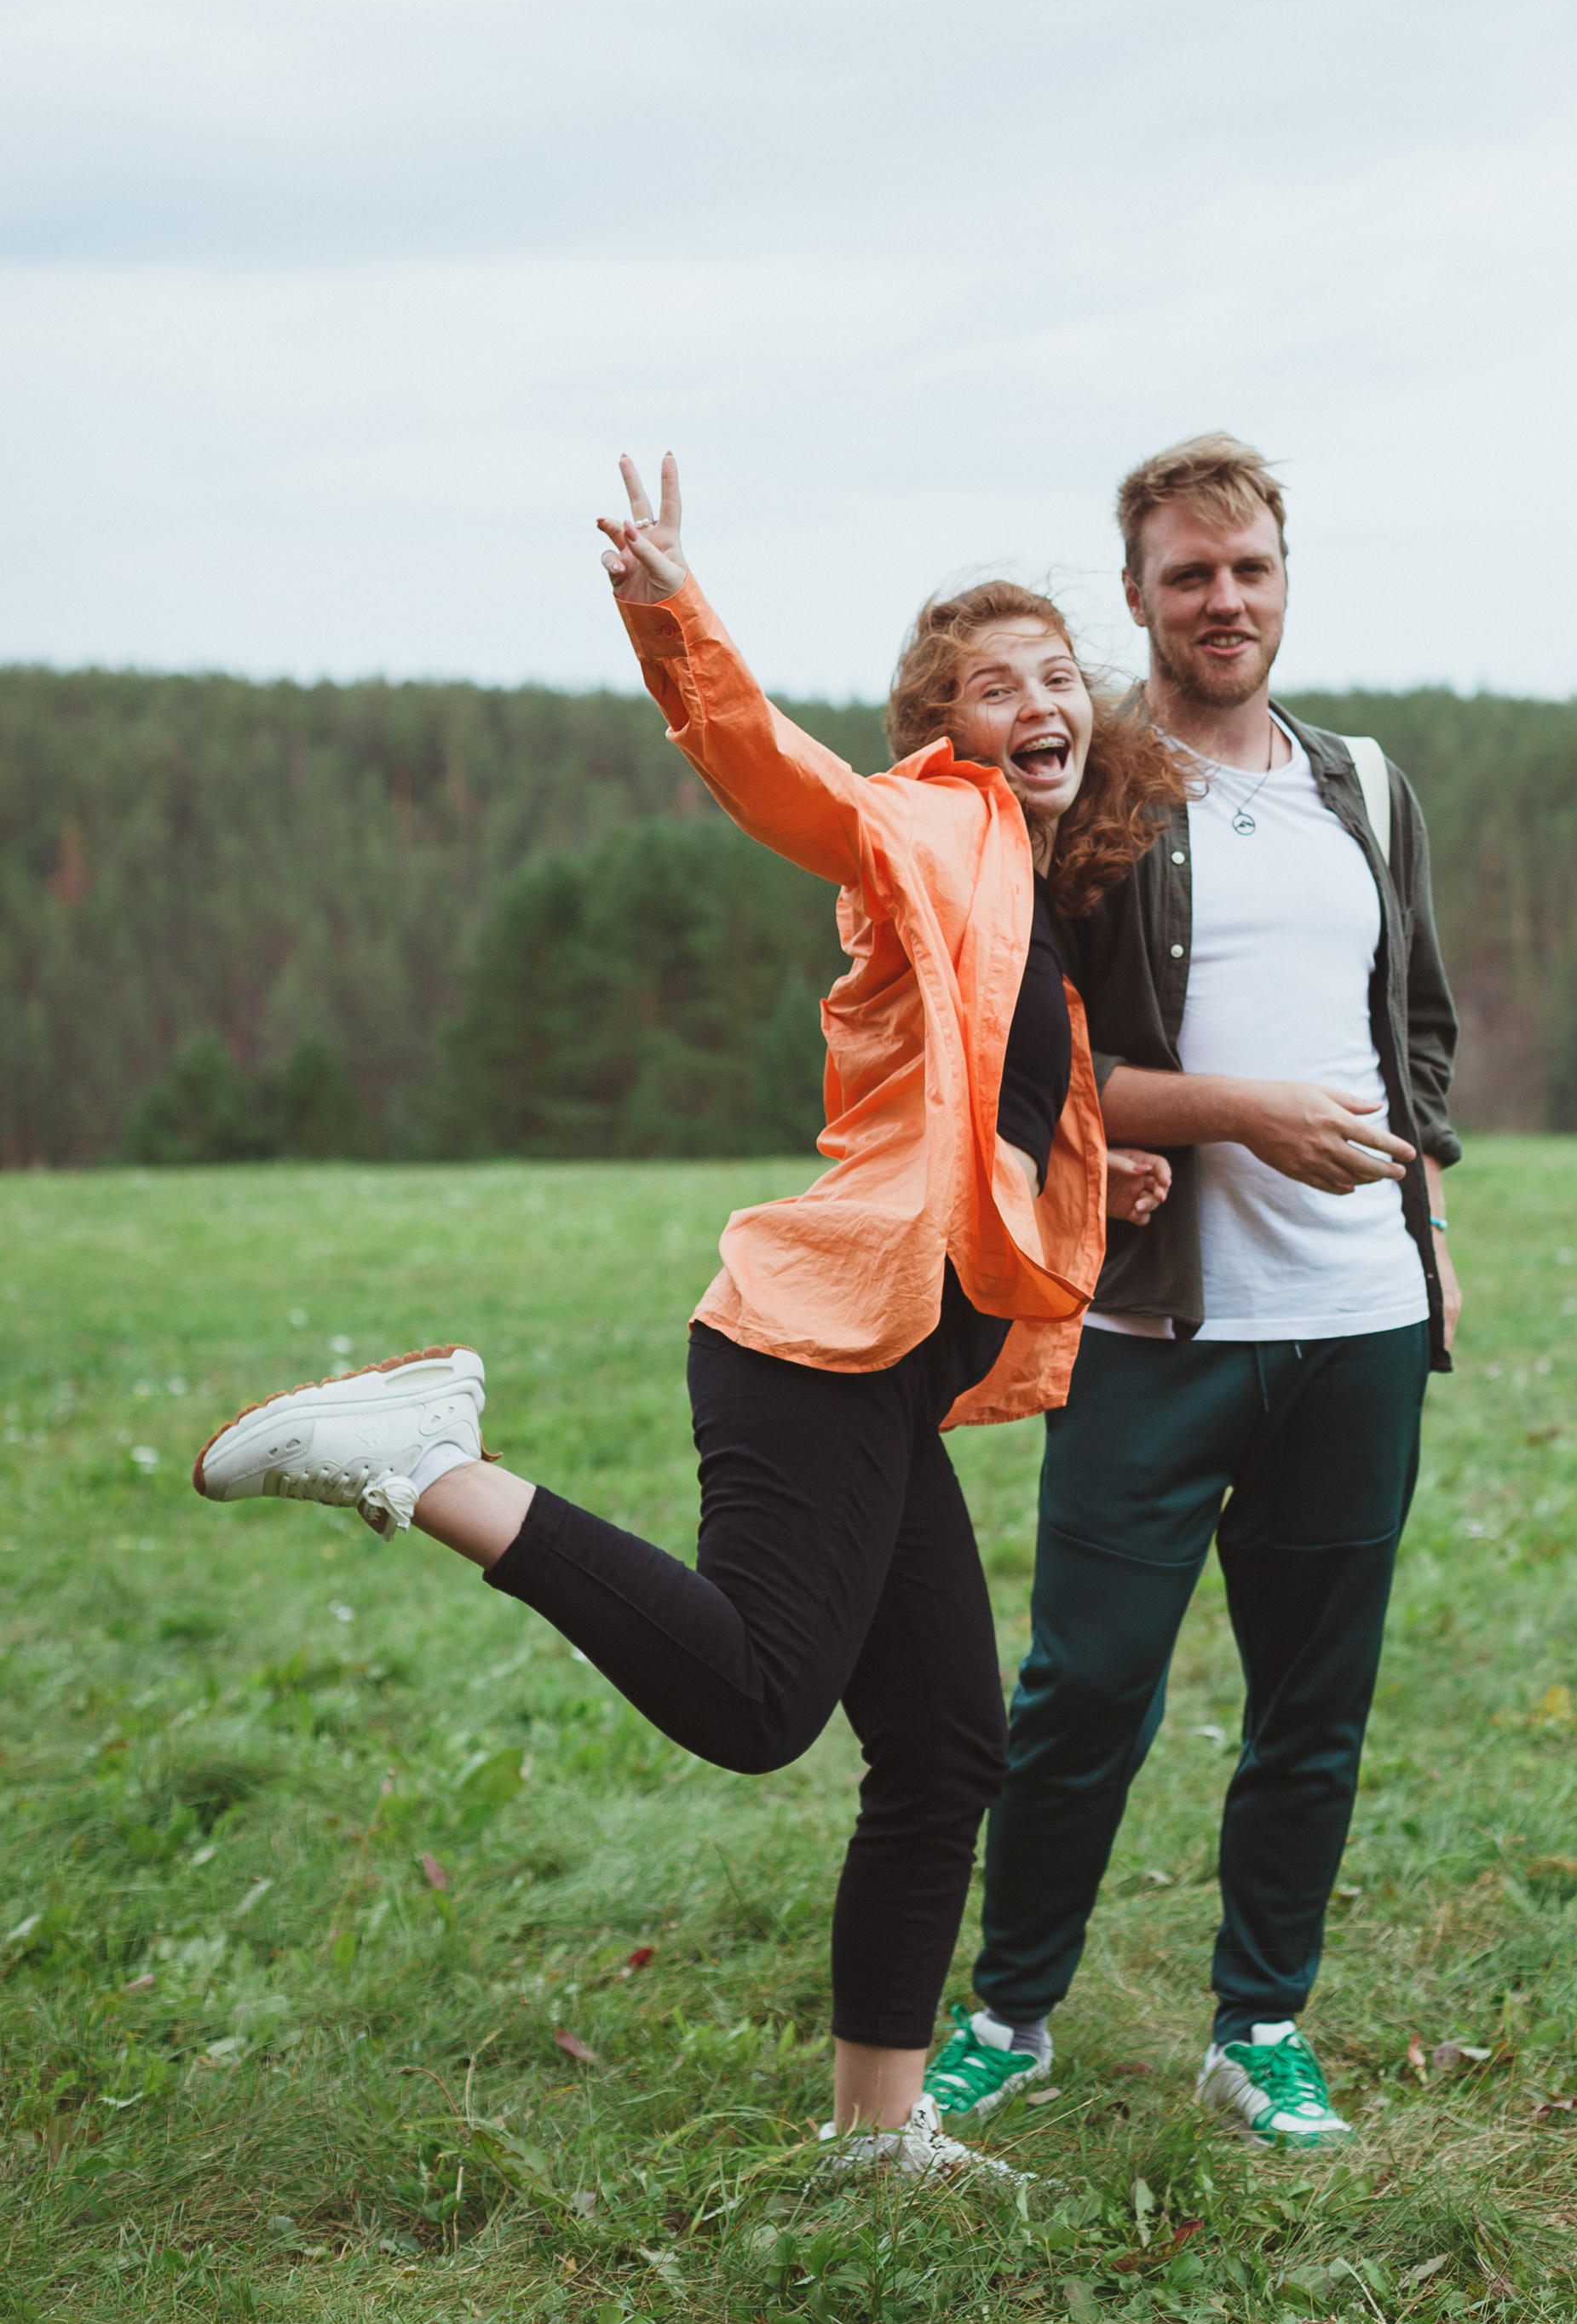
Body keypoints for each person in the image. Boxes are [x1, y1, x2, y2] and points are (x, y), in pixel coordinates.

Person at [194, 454, 1182, 2176]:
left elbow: (970, 1133)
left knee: (948, 1745)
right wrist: (669, 607)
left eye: (1052, 675)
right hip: (807, 1352)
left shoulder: (1017, 912)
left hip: (874, 1373)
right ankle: (426, 1465)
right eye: (989, 679)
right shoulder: (929, 823)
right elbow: (768, 768)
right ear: (940, 725)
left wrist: (1093, 1193)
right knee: (753, 1704)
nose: (1035, 702)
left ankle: (877, 2136)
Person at [924, 432, 1461, 2151]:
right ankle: (1010, 2015)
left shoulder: (1363, 787)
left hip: (1358, 1331)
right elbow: (1026, 1074)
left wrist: (1423, 1216)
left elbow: (1417, 1035)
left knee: (1313, 1702)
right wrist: (1238, 1120)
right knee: (1085, 1686)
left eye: (1246, 569)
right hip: (1154, 1330)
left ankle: (1261, 2025)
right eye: (1183, 575)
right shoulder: (1084, 796)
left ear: (1282, 579)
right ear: (1138, 598)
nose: (1220, 601)